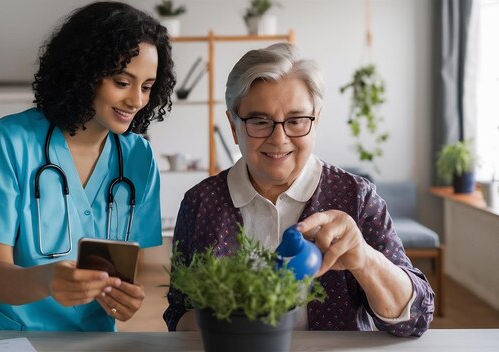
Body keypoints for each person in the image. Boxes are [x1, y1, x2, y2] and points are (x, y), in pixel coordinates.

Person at [163, 43, 434, 337]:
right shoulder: (201, 203)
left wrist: (365, 259)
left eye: (296, 121)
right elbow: (179, 311)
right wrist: (227, 322)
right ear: (233, 125)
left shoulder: (356, 196)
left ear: (316, 119)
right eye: (259, 121)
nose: (279, 139)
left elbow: (417, 319)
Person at [0, 1, 175, 331]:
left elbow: (119, 275)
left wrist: (122, 302)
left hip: (88, 340)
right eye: (122, 82)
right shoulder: (7, 143)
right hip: (0, 336)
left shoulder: (138, 158)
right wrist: (48, 279)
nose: (137, 101)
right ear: (83, 74)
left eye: (147, 86)